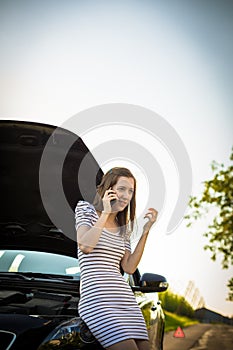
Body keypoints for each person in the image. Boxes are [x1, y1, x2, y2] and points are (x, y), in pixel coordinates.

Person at [75, 167, 158, 350]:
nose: (127, 196)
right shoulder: (85, 209)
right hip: (97, 300)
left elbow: (128, 268)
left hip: (124, 299)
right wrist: (105, 213)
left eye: (131, 191)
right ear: (108, 189)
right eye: (122, 189)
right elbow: (85, 246)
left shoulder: (123, 227)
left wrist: (145, 231)